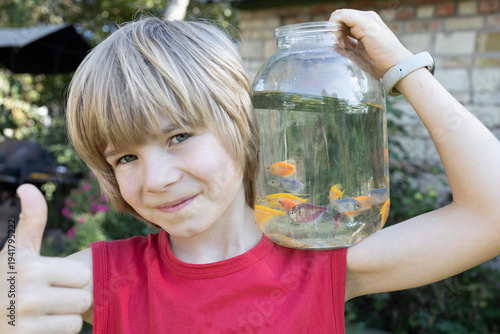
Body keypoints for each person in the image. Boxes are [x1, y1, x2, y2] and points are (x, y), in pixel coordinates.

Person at [1, 8, 500, 334]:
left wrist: (404, 69)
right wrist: (6, 304)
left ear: (242, 126)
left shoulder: (321, 262)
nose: (154, 180)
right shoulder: (102, 277)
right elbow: (16, 293)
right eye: (125, 158)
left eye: (178, 137)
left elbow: (490, 215)